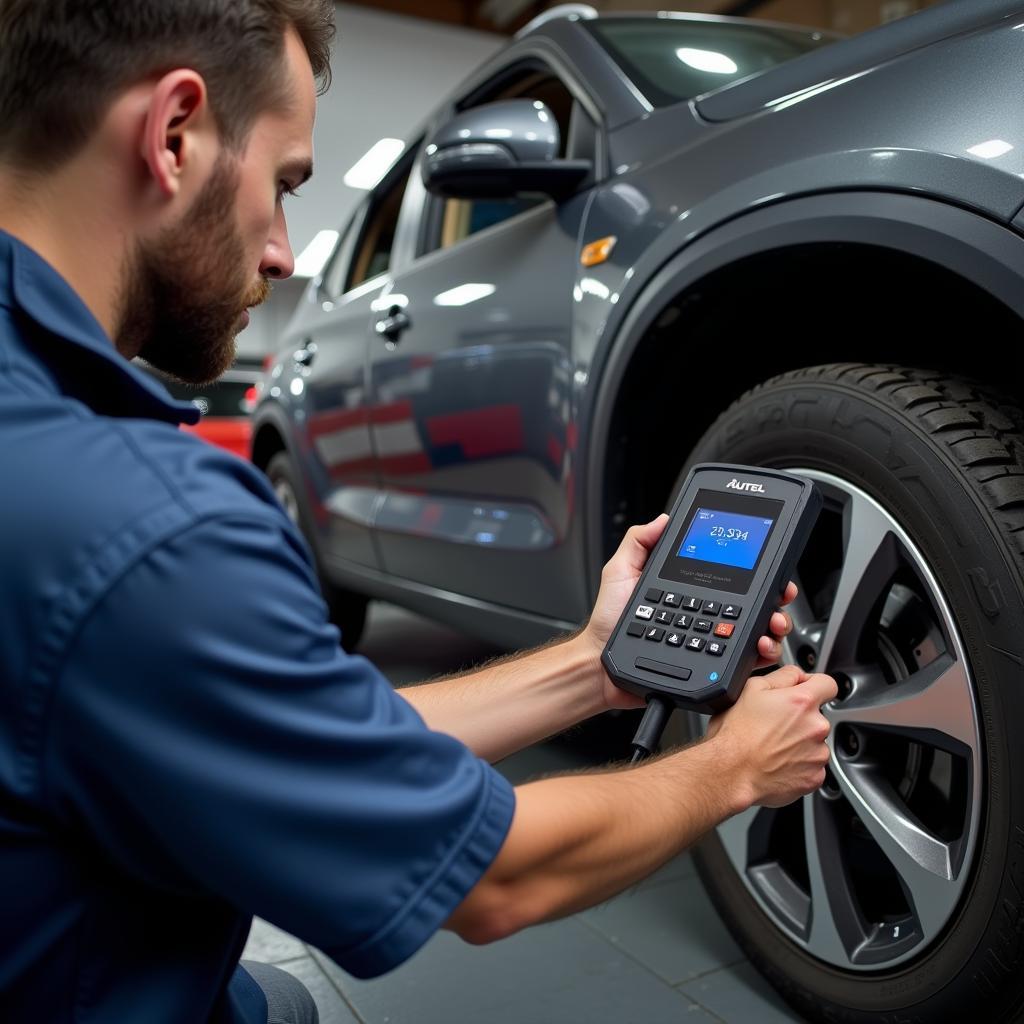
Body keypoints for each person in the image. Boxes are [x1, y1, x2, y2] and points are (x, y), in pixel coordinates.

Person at [0, 3, 837, 1022]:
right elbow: (495, 881)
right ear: (174, 133)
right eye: (283, 186)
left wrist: (593, 661)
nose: (278, 254)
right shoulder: (155, 529)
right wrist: (735, 765)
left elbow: (312, 737)